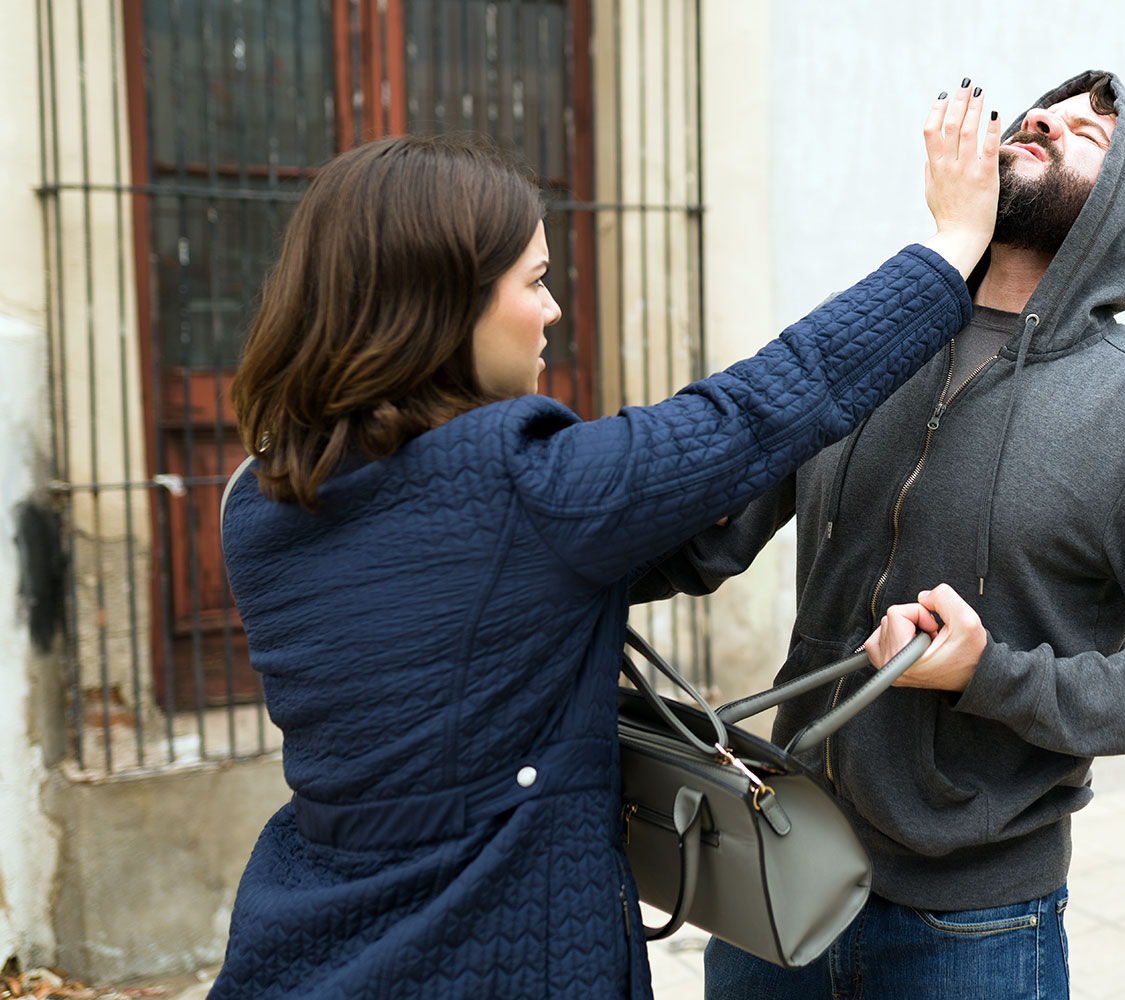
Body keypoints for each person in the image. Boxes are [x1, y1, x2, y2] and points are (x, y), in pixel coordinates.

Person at [207, 84, 1002, 1000]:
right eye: (535, 280)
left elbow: (517, 590)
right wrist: (952, 246)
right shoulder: (523, 491)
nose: (552, 310)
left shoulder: (259, 500)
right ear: (440, 307)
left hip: (305, 943)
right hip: (495, 952)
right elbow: (760, 405)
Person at [631, 70, 1125, 998]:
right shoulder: (875, 339)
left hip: (975, 925)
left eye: (1092, 131)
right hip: (779, 867)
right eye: (1044, 106)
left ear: (1123, 210)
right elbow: (710, 536)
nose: (1045, 116)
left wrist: (991, 676)